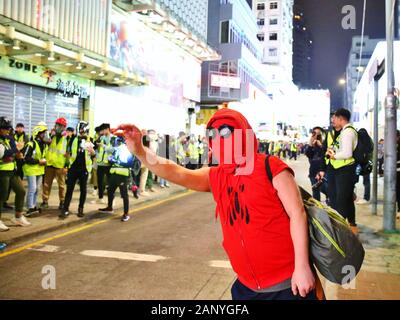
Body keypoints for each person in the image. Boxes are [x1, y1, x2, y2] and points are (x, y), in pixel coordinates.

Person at [118, 108, 317, 300]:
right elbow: (176, 172)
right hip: (246, 287)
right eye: (212, 135)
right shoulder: (217, 175)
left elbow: (297, 214)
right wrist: (140, 151)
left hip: (288, 285)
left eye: (225, 133)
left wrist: (302, 267)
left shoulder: (271, 167)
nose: (218, 141)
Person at [317, 108, 358, 234]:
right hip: (337, 169)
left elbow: (347, 153)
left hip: (345, 170)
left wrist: (334, 156)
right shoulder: (341, 132)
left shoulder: (347, 132)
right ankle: (342, 226)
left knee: (342, 200)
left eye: (335, 118)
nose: (333, 120)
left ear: (341, 119)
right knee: (339, 198)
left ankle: (340, 229)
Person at [0, 117, 30, 232]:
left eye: (8, 128)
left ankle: (18, 217)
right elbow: (3, 154)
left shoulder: (8, 138)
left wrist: (14, 151)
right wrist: (15, 150)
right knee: (2, 196)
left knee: (21, 191)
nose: (8, 131)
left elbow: (13, 150)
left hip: (13, 170)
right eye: (5, 129)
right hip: (2, 172)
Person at [60, 121, 95, 219]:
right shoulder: (72, 139)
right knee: (69, 190)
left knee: (83, 190)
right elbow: (66, 152)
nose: (81, 133)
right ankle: (65, 209)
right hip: (73, 168)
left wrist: (92, 152)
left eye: (83, 131)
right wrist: (66, 163)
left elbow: (94, 155)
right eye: (80, 131)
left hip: (84, 169)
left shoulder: (90, 140)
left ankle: (80, 209)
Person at [99, 133, 135, 222]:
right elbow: (113, 161)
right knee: (110, 191)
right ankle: (110, 207)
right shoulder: (116, 150)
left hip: (122, 176)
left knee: (124, 195)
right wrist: (111, 160)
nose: (115, 143)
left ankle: (126, 214)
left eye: (116, 142)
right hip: (114, 174)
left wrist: (115, 160)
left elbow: (129, 163)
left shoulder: (127, 151)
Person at [41, 118, 69, 210]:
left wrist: (67, 165)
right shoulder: (52, 136)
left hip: (60, 165)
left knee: (61, 185)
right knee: (46, 184)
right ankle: (45, 201)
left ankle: (62, 201)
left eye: (60, 126)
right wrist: (50, 135)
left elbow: (69, 153)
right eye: (57, 125)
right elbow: (45, 140)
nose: (58, 127)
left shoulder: (67, 138)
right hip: (50, 164)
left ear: (64, 127)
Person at [23, 124, 49, 217]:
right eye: (42, 133)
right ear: (37, 134)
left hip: (39, 170)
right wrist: (38, 161)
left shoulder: (44, 145)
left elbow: (44, 157)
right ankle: (29, 207)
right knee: (32, 188)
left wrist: (45, 161)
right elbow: (25, 158)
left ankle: (33, 206)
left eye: (44, 133)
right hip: (31, 170)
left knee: (37, 189)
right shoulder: (31, 144)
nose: (44, 135)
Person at [93, 123, 114, 205]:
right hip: (100, 163)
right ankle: (100, 198)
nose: (101, 132)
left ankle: (112, 200)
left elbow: (113, 150)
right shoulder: (101, 138)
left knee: (111, 183)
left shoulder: (113, 138)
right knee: (100, 182)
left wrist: (104, 146)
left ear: (108, 129)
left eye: (103, 130)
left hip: (109, 164)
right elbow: (98, 150)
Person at [305, 127, 328, 202]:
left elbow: (327, 155)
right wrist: (310, 144)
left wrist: (321, 145)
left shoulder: (325, 143)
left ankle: (331, 205)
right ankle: (318, 209)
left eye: (318, 134)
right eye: (314, 133)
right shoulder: (312, 145)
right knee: (315, 192)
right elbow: (308, 155)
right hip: (313, 172)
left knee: (328, 190)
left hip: (323, 172)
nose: (316, 136)